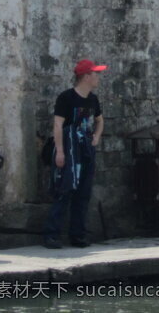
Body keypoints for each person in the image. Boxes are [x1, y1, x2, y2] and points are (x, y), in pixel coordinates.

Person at [43, 59, 105, 249]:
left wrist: (96, 136)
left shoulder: (93, 99)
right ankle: (52, 235)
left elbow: (100, 121)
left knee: (83, 194)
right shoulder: (67, 98)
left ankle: (77, 235)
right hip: (69, 150)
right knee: (64, 191)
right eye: (95, 73)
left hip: (86, 151)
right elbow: (58, 125)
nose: (98, 77)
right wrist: (60, 152)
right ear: (86, 76)